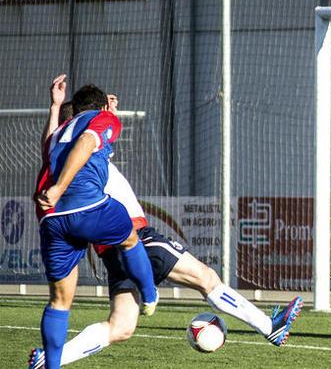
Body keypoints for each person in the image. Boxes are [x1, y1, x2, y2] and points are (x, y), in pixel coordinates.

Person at [28, 89, 303, 368]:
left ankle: (50, 359)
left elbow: (52, 143)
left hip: (110, 252)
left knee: (120, 327)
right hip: (138, 241)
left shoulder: (60, 158)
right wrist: (104, 112)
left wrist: (55, 107)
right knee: (207, 279)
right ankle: (270, 327)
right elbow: (92, 135)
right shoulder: (89, 155)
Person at [33, 76, 159, 369]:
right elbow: (90, 141)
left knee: (59, 301)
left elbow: (48, 148)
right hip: (86, 205)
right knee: (130, 235)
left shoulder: (61, 129)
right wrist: (60, 187)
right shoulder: (102, 120)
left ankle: (50, 366)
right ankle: (150, 294)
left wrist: (54, 107)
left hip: (51, 218)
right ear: (102, 107)